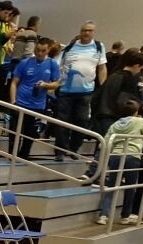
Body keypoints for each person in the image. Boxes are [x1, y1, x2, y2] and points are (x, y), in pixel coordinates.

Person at [54, 21, 107, 162]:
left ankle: (73, 149)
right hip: (66, 91)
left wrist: (103, 87)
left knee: (82, 121)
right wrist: (56, 83)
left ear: (94, 32)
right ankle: (60, 150)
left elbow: (102, 68)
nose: (86, 33)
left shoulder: (99, 47)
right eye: (84, 30)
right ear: (80, 31)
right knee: (62, 122)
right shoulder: (70, 47)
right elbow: (59, 66)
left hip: (86, 92)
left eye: (90, 30)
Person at [9, 37, 61, 159]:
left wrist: (45, 85)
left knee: (29, 134)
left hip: (37, 105)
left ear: (48, 50)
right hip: (20, 103)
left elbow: (56, 84)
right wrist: (13, 101)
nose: (39, 53)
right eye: (37, 50)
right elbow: (14, 82)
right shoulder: (25, 62)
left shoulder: (52, 64)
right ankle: (11, 156)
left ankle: (23, 156)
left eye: (43, 51)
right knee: (14, 132)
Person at [96, 100, 143, 226]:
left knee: (111, 186)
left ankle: (103, 215)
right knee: (130, 188)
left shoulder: (115, 124)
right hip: (133, 156)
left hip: (115, 156)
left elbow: (104, 143)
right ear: (136, 112)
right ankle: (125, 216)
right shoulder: (139, 121)